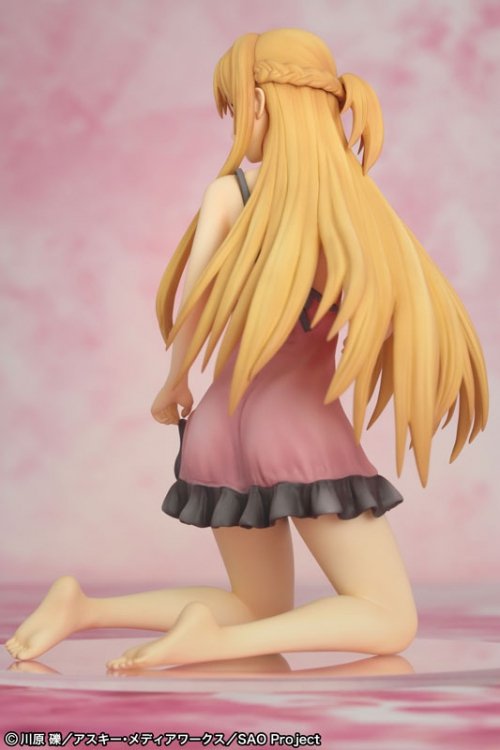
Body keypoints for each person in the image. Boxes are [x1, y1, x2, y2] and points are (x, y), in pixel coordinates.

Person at [5, 28, 488, 670]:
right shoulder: (352, 202)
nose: (236, 124)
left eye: (236, 108)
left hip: (215, 426)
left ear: (262, 102)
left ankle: (84, 609)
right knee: (390, 618)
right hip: (296, 425)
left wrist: (174, 384)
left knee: (256, 604)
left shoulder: (230, 193)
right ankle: (214, 642)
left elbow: (193, 304)